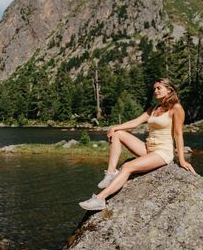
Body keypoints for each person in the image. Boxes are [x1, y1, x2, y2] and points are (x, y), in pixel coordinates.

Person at [79, 78, 196, 210]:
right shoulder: (154, 108)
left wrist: (182, 160)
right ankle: (111, 173)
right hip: (148, 148)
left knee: (127, 166)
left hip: (162, 152)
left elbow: (178, 134)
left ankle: (100, 199)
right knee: (117, 134)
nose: (155, 91)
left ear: (169, 90)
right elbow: (135, 122)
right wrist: (115, 127)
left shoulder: (176, 108)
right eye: (154, 89)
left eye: (159, 88)